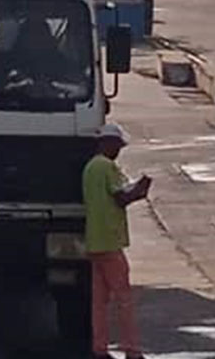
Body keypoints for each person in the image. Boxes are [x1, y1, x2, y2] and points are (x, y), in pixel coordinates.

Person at [83, 124, 151, 359]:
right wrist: (140, 190)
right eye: (117, 146)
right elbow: (121, 197)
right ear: (107, 144)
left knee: (99, 301)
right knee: (123, 299)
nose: (118, 151)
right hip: (111, 241)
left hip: (94, 240)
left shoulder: (90, 167)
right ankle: (132, 350)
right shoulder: (106, 167)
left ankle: (99, 348)